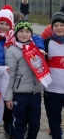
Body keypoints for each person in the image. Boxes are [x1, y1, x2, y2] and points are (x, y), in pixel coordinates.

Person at [4, 20, 51, 139]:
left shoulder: (36, 48)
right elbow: (10, 76)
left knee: (35, 124)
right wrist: (8, 97)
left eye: (27, 31)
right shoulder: (11, 51)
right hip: (20, 94)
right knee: (19, 124)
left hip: (35, 94)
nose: (24, 34)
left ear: (31, 34)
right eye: (21, 31)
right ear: (16, 33)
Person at [44, 11, 64, 139]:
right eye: (55, 25)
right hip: (51, 90)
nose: (59, 28)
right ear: (52, 27)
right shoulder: (46, 43)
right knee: (54, 119)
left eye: (62, 25)